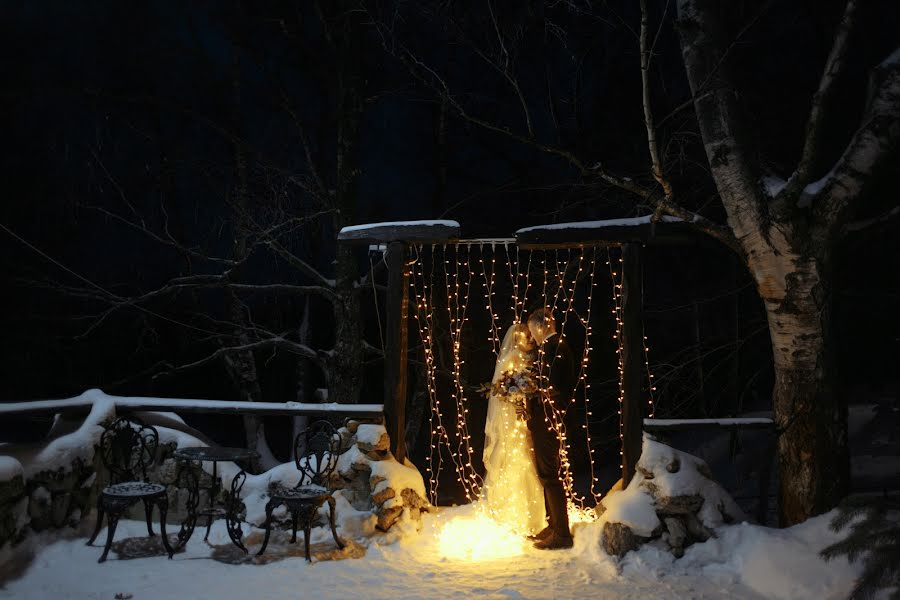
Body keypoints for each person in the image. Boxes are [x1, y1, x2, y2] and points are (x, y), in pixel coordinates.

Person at [481, 323, 546, 535]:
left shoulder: (534, 357)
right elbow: (499, 390)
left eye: (529, 335)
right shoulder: (511, 357)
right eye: (526, 335)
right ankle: (509, 514)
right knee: (514, 458)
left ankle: (530, 516)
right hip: (511, 418)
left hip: (525, 418)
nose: (529, 339)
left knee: (527, 458)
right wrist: (516, 395)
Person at [525, 307, 576, 550]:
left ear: (539, 326)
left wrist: (529, 388)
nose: (531, 336)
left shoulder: (555, 347)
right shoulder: (551, 347)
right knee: (547, 473)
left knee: (549, 474)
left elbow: (554, 386)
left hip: (549, 420)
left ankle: (562, 534)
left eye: (531, 329)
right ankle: (555, 525)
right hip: (547, 419)